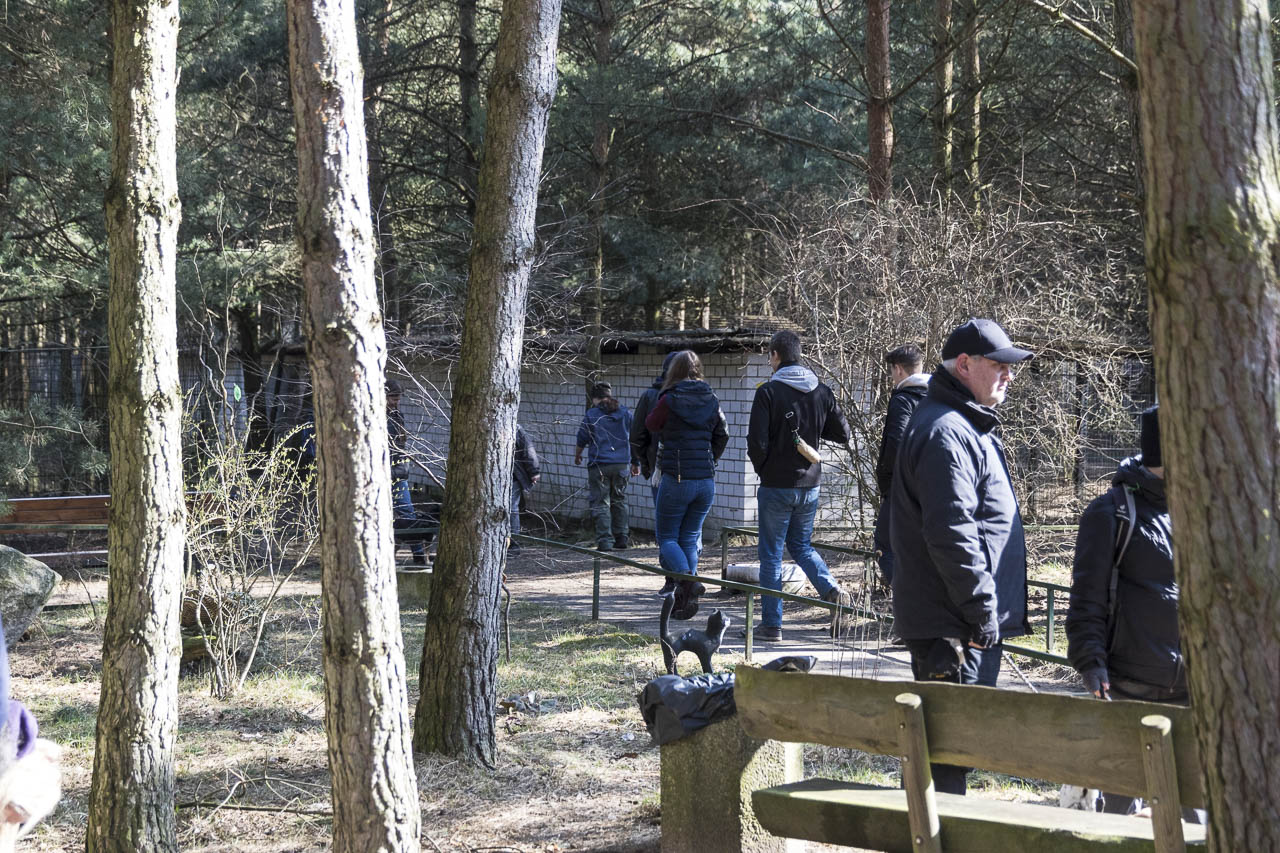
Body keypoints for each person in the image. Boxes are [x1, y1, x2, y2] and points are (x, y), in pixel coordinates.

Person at [890, 318, 1032, 795]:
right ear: (965, 365)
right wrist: (982, 611)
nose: (1009, 375)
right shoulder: (947, 432)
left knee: (952, 759)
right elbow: (951, 533)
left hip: (960, 623)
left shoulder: (962, 423)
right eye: (999, 365)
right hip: (955, 630)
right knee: (946, 763)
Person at [1066, 406, 1201, 821]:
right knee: (1120, 825)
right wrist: (1091, 663)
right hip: (1129, 690)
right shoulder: (1109, 514)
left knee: (1194, 823)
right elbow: (1086, 600)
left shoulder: (1204, 513)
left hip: (1193, 694)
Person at [746, 330, 854, 641]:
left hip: (776, 486)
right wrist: (814, 427)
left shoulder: (768, 392)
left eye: (769, 356)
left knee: (771, 554)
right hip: (811, 484)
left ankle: (771, 625)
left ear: (775, 355)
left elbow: (756, 442)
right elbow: (843, 434)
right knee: (801, 546)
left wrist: (765, 470)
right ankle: (832, 592)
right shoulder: (822, 391)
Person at [644, 351, 729, 597]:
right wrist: (710, 458)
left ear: (674, 370)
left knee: (667, 538)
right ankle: (687, 598)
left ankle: (688, 581)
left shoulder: (669, 399)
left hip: (677, 478)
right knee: (690, 537)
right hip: (706, 480)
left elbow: (651, 424)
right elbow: (723, 434)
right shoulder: (712, 398)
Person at [872, 344, 929, 589]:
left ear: (898, 369)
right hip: (930, 483)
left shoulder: (903, 399)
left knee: (884, 546)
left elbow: (897, 441)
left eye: (891, 371)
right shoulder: (937, 397)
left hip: (902, 485)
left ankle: (914, 600)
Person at [575, 382, 633, 551]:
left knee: (601, 502)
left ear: (595, 398)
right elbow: (635, 437)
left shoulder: (592, 414)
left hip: (599, 464)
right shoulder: (625, 413)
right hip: (621, 464)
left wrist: (578, 455)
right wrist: (636, 462)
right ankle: (622, 537)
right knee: (619, 499)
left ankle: (605, 541)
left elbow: (582, 437)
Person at [386, 379, 428, 565]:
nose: (396, 401)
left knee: (407, 514)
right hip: (380, 474)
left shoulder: (397, 416)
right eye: (392, 397)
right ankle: (386, 557)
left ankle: (419, 555)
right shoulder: (373, 418)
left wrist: (401, 468)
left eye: (398, 397)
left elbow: (400, 446)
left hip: (397, 472)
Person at [631, 351, 679, 492]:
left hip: (660, 468)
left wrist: (646, 465)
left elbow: (636, 436)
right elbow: (721, 433)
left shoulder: (650, 396)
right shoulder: (701, 395)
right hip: (695, 472)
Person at [509, 423, 541, 551]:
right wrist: (534, 471)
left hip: (513, 477)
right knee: (511, 509)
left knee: (511, 509)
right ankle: (511, 543)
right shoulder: (515, 428)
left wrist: (534, 471)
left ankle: (513, 543)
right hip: (509, 476)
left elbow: (528, 450)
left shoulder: (516, 428)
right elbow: (528, 450)